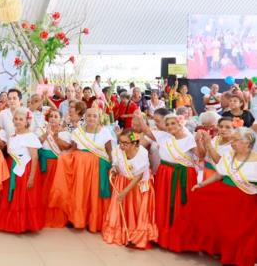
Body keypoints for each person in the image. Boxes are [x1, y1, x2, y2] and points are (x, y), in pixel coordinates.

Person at [170, 127, 257, 265]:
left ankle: (235, 256)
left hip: (245, 200)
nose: (232, 143)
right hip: (224, 194)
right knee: (204, 209)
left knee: (236, 232)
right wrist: (202, 185)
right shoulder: (229, 154)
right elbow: (219, 174)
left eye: (236, 140)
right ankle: (211, 248)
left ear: (248, 142)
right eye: (232, 139)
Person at [135, 113, 199, 248]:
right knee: (163, 203)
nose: (170, 127)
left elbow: (201, 155)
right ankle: (162, 237)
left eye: (173, 123)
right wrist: (140, 118)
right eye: (168, 124)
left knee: (180, 205)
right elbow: (146, 131)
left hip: (182, 175)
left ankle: (179, 240)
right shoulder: (163, 136)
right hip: (165, 173)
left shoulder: (190, 139)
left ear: (180, 123)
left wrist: (201, 141)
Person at [48, 107, 113, 232]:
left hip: (96, 167)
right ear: (85, 117)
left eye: (94, 116)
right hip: (80, 167)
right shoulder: (78, 132)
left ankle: (92, 221)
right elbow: (73, 149)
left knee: (93, 194)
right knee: (79, 192)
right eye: (89, 115)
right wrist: (64, 155)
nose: (91, 118)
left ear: (99, 118)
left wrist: (112, 166)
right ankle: (77, 219)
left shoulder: (105, 132)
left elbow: (109, 152)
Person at [102, 128, 158, 248]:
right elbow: (117, 166)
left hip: (137, 186)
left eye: (125, 143)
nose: (122, 145)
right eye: (120, 142)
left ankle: (136, 237)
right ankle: (122, 234)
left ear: (134, 143)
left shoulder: (142, 153)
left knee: (137, 210)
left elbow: (139, 175)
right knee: (122, 209)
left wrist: (125, 192)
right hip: (122, 181)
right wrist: (114, 169)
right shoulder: (117, 150)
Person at [0, 107, 44, 233]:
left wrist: (31, 177)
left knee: (24, 196)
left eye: (21, 119)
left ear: (27, 122)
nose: (18, 121)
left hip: (25, 170)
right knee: (13, 195)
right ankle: (12, 223)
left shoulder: (31, 136)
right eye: (15, 119)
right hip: (12, 167)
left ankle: (24, 224)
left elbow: (35, 157)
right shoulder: (13, 135)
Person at [36, 109, 73, 227]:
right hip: (43, 164)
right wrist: (47, 134)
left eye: (56, 116)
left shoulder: (65, 133)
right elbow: (36, 143)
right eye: (51, 116)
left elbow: (67, 147)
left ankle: (55, 218)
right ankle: (41, 216)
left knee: (55, 189)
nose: (53, 118)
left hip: (57, 165)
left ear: (60, 119)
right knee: (43, 190)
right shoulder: (41, 129)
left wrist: (56, 137)